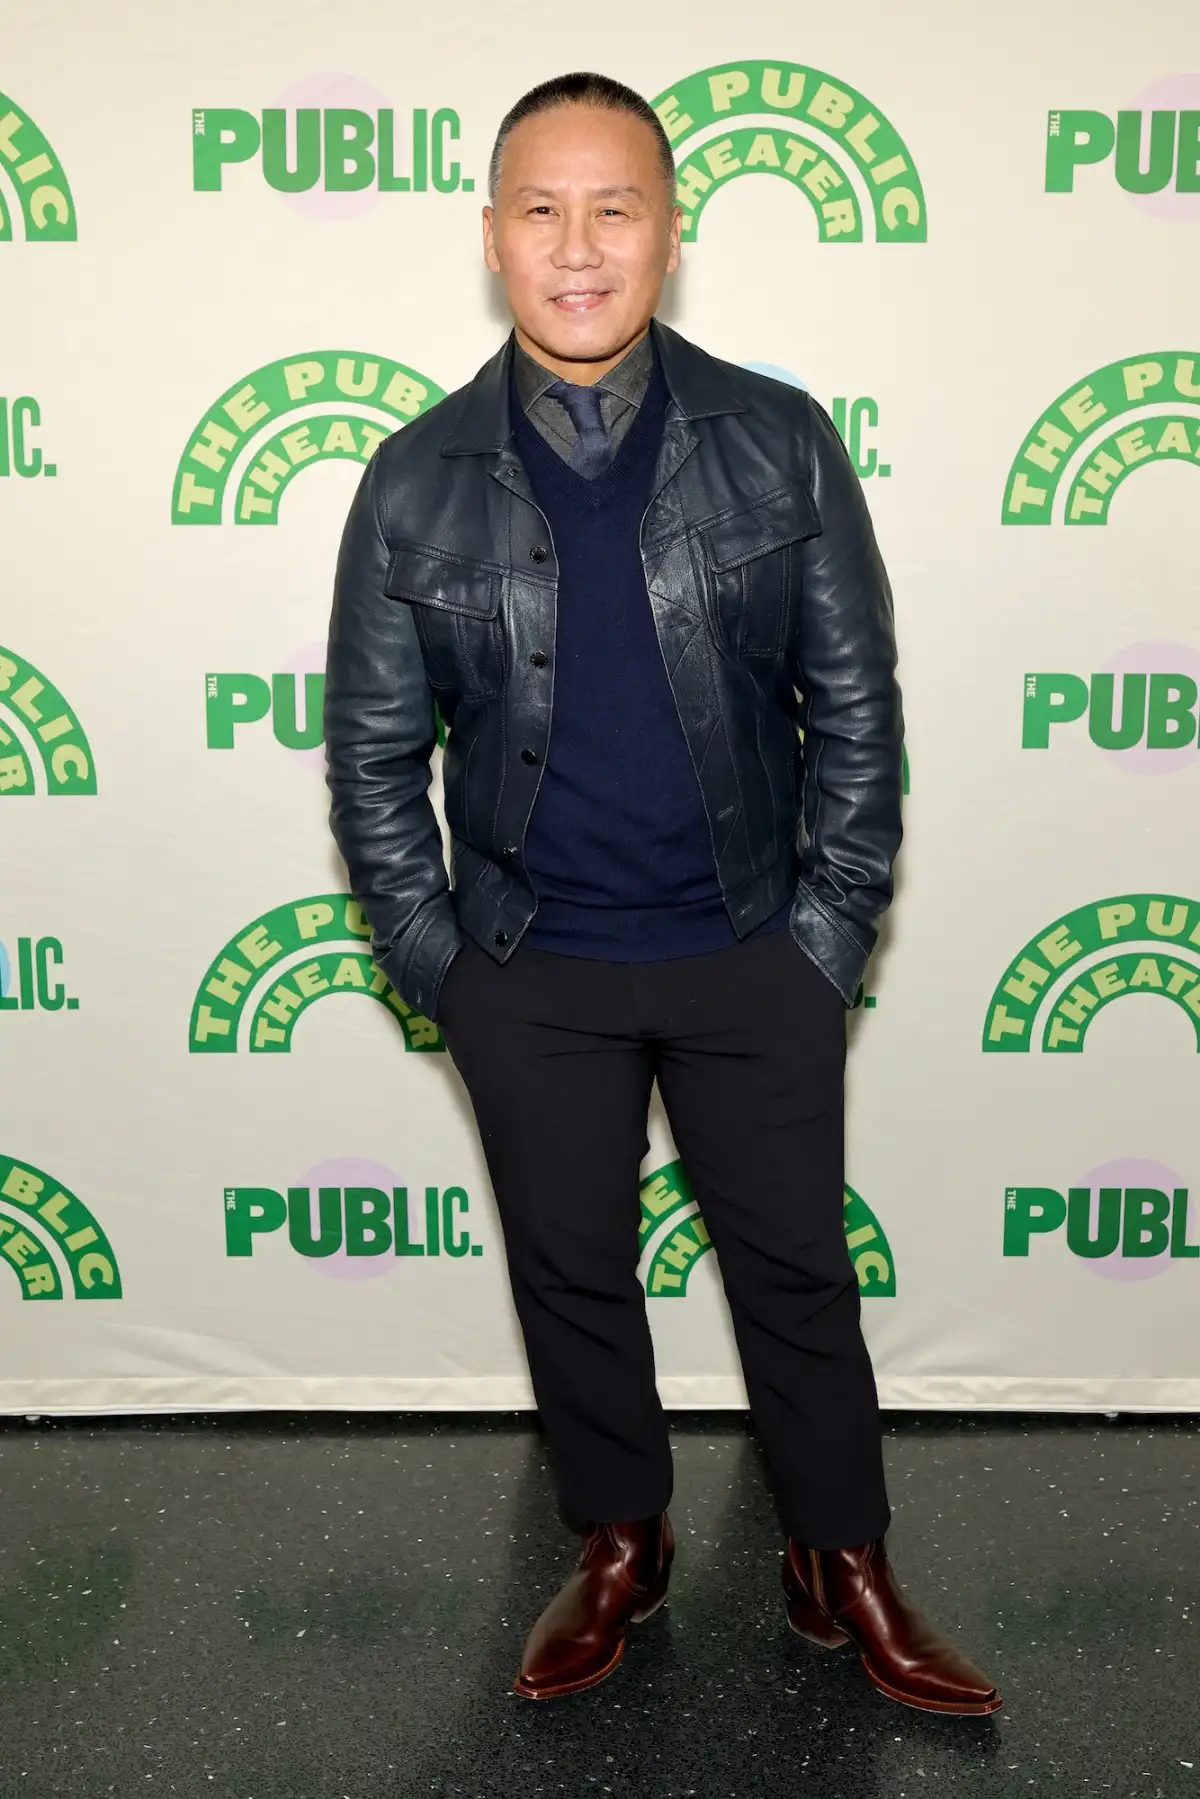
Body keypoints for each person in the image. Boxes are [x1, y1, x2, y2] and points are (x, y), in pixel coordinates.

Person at [323, 70, 1000, 1716]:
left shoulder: (780, 441)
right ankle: (622, 1538)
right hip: (527, 963)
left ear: (671, 234)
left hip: (752, 946)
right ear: (492, 237)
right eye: (542, 210)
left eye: (614, 208)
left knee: (796, 1274)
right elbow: (371, 754)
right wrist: (441, 963)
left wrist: (826, 931)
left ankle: (839, 1555)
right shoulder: (412, 479)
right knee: (571, 1271)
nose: (579, 247)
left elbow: (857, 706)